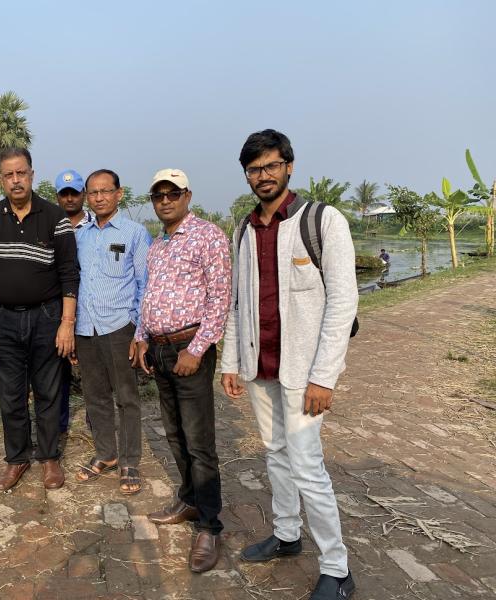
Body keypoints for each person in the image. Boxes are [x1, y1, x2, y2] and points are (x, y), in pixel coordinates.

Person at [221, 129, 357, 600]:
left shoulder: (322, 221)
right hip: (261, 366)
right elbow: (237, 303)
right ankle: (285, 534)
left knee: (307, 466)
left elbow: (343, 302)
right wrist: (231, 361)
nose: (263, 176)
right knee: (275, 454)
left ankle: (337, 568)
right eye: (254, 169)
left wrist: (325, 376)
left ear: (289, 166)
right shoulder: (244, 228)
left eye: (271, 166)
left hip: (303, 372)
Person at [134, 168, 231, 573]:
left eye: (172, 193)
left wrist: (197, 347)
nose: (165, 201)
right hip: (159, 350)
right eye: (158, 195)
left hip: (190, 350)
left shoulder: (208, 236)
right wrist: (141, 336)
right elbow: (149, 295)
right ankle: (189, 499)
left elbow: (220, 298)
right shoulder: (157, 245)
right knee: (174, 433)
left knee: (199, 442)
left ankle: (210, 525)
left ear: (187, 195)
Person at [0, 147, 79, 492]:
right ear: (1, 179)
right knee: (11, 395)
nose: (16, 180)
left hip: (47, 317)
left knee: (48, 390)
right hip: (3, 320)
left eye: (22, 173)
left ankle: (48, 458)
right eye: (9, 175)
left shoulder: (54, 216)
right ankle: (16, 458)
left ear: (32, 174)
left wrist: (67, 322)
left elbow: (68, 273)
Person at [73, 169, 151, 494]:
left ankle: (130, 460)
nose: (100, 197)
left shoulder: (135, 233)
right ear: (86, 197)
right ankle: (106, 454)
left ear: (119, 194)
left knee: (127, 397)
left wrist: (140, 332)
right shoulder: (80, 236)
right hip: (84, 328)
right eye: (93, 192)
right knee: (95, 396)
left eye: (106, 191)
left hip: (120, 327)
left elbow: (145, 284)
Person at [53, 169, 91, 434]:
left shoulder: (95, 225)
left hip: (89, 306)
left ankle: (95, 421)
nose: (69, 199)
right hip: (58, 306)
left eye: (74, 193)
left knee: (92, 369)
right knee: (57, 370)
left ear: (83, 195)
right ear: (57, 197)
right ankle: (59, 423)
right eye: (64, 194)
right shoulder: (50, 224)